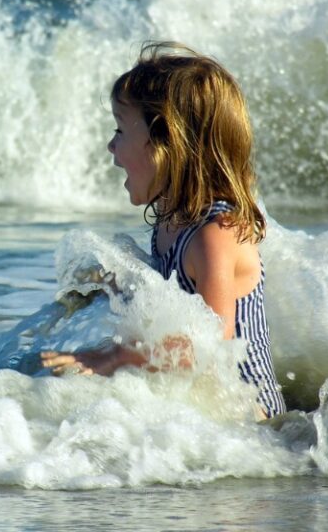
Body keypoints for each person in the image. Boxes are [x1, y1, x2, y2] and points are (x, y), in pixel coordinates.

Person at [41, 42, 286, 419]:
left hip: (253, 423)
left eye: (120, 130)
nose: (111, 146)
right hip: (207, 413)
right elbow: (172, 308)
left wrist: (115, 356)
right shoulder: (172, 221)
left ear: (164, 143)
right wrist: (113, 286)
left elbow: (207, 350)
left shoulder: (215, 235)